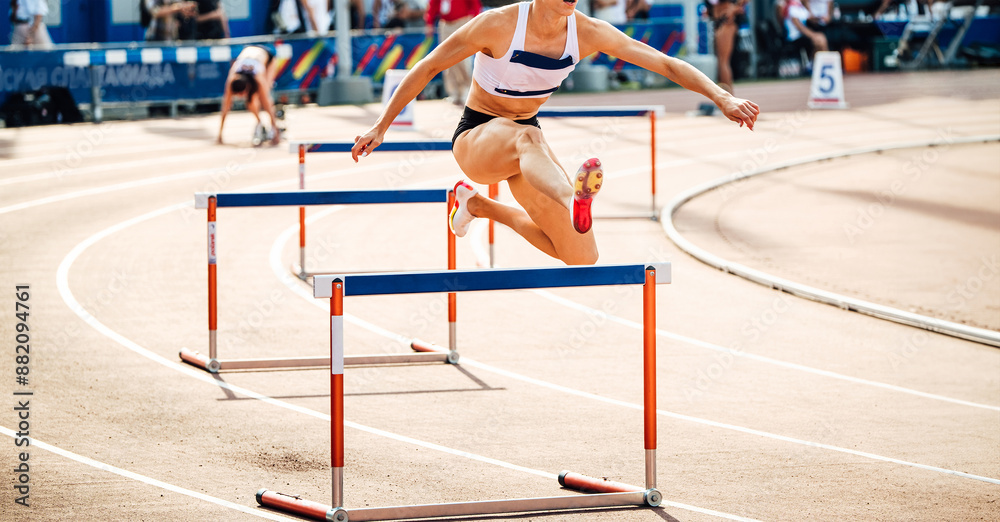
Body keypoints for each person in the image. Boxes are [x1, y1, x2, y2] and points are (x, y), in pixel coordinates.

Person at [352, 0, 758, 265]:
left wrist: (722, 97)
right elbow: (427, 68)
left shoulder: (586, 31)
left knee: (581, 255)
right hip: (478, 136)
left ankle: (480, 207)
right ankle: (574, 199)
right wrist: (380, 125)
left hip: (527, 145)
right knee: (525, 137)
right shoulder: (497, 25)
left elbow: (665, 64)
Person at [217, 46, 282, 146]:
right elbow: (226, 106)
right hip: (249, 55)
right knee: (250, 103)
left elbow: (267, 103)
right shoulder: (232, 79)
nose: (240, 97)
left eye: (242, 94)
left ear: (247, 87)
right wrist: (220, 134)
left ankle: (274, 128)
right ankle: (260, 123)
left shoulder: (258, 77)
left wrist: (275, 131)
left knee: (263, 96)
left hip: (268, 59)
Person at [425, 0, 481, 105]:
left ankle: (467, 90)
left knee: (464, 58)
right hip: (445, 24)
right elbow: (433, 5)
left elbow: (474, 4)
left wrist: (476, 22)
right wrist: (429, 22)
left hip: (462, 22)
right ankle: (454, 92)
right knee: (446, 59)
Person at [705, 0, 747, 95]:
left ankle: (729, 95)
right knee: (721, 62)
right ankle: (725, 94)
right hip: (718, 21)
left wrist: (734, 8)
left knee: (723, 62)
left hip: (726, 22)